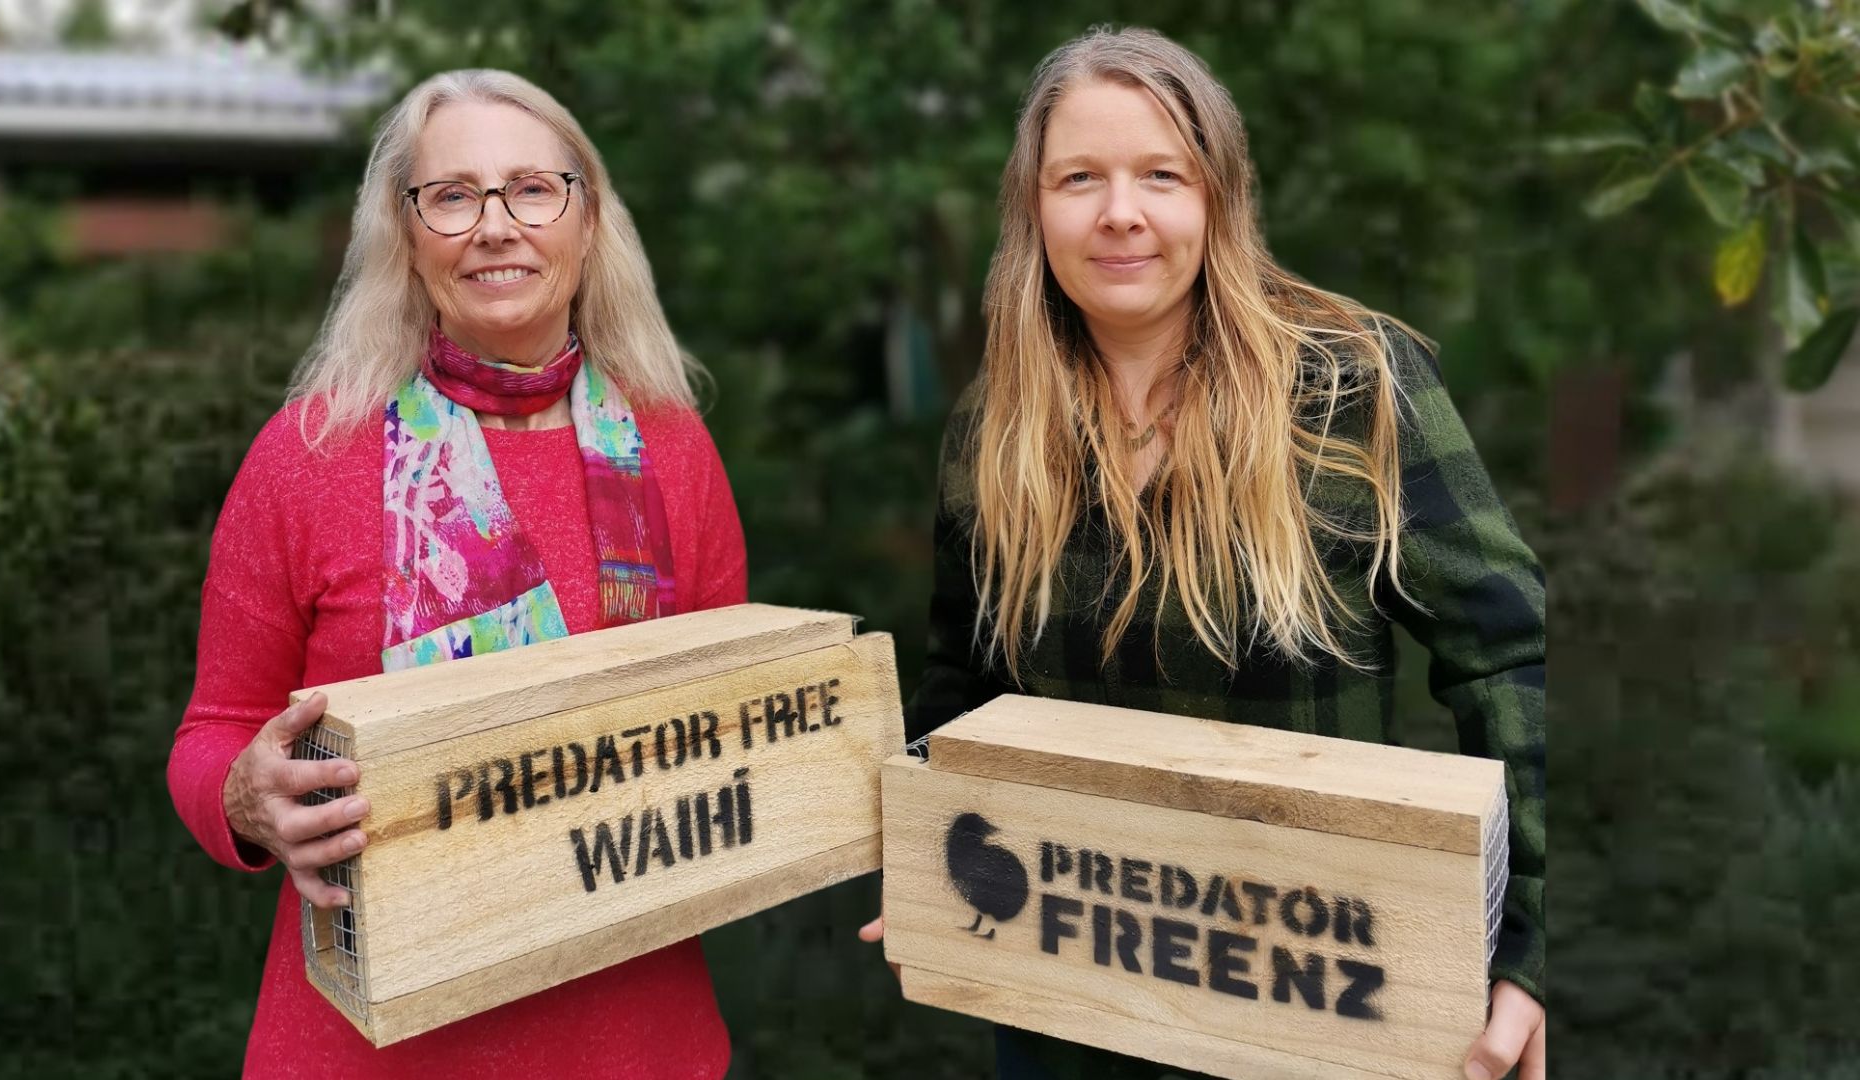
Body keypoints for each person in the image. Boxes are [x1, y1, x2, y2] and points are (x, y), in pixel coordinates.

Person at [859, 27, 1546, 1080]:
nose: (1119, 212)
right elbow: (965, 691)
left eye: (1160, 175)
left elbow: (1507, 658)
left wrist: (1524, 953)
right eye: (1078, 177)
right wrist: (921, 848)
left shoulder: (1353, 387)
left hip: (1319, 1003)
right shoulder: (993, 428)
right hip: (1065, 1006)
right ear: (1034, 208)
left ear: (1217, 197)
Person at [166, 70, 743, 1078]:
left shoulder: (672, 445)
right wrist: (250, 799)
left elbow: (734, 719)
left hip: (636, 1041)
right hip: (371, 1048)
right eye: (453, 195)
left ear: (586, 216)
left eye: (531, 189)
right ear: (406, 232)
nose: (496, 226)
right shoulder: (307, 456)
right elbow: (211, 737)